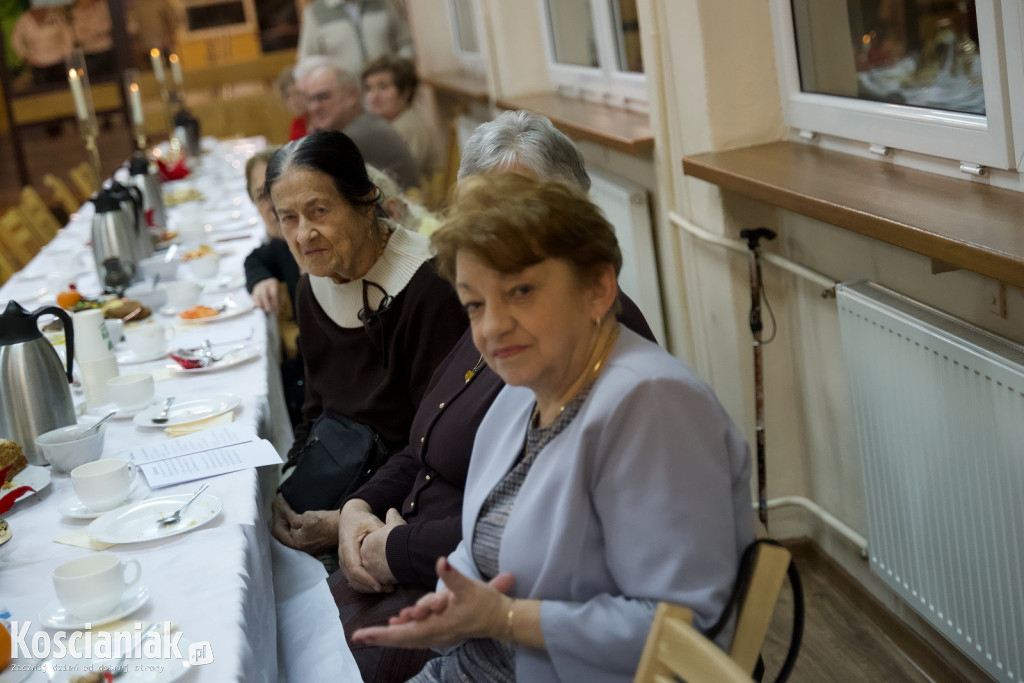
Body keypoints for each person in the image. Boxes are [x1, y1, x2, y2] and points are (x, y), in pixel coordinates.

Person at [351, 172, 755, 682]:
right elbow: (484, 542)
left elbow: (685, 628)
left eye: (520, 291)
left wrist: (505, 619)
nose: (492, 326)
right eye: (475, 304)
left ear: (598, 289)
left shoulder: (654, 404)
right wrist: (454, 607)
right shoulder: (524, 389)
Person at [330, 110, 657, 682]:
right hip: (425, 562)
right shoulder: (498, 311)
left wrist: (397, 550)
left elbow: (534, 530)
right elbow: (424, 443)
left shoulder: (588, 344)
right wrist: (356, 508)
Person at [266, 131, 466, 565]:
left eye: (319, 210)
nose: (304, 234)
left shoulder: (429, 284)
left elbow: (437, 443)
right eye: (288, 218)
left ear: (365, 200)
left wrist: (346, 518)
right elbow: (314, 410)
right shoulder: (310, 288)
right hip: (341, 484)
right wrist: (292, 483)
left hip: (403, 508)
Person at [242, 147, 305, 427]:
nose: (272, 202)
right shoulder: (282, 246)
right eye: (261, 195)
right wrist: (260, 279)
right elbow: (256, 259)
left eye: (277, 188)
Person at [298, 59, 419, 190]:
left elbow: (311, 185)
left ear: (351, 95)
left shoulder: (359, 135)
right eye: (311, 99)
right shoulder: (364, 123)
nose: (314, 107)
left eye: (323, 97)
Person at [362, 55, 441, 186]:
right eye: (369, 88)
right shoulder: (393, 120)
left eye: (383, 87)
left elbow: (398, 180)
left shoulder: (408, 128)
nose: (373, 96)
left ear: (406, 91)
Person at [297, 0, 412, 76]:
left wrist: (399, 72)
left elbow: (406, 42)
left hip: (391, 92)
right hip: (346, 97)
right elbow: (307, 60)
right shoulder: (315, 11)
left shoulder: (386, 2)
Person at [275, 66, 308, 141]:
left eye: (297, 93)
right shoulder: (297, 124)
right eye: (288, 96)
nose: (294, 101)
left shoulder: (322, 121)